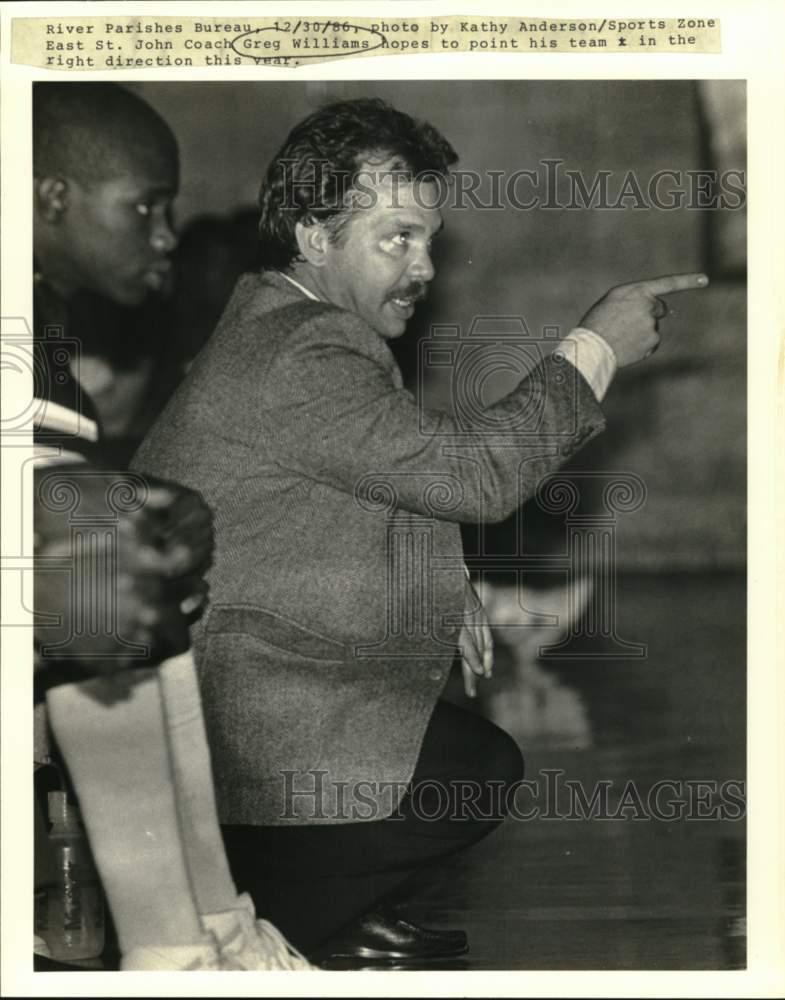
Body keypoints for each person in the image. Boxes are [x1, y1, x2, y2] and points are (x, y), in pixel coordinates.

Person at [132, 97, 708, 963]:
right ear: (312, 233)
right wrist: (592, 345)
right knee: (466, 774)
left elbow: (379, 473)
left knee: (442, 741)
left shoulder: (284, 323)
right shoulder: (306, 349)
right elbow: (474, 475)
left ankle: (325, 905)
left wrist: (445, 584)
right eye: (396, 237)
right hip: (232, 720)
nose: (425, 265)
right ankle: (282, 914)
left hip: (226, 689)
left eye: (428, 240)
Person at [32, 82, 312, 971]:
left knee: (124, 554)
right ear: (52, 197)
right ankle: (172, 956)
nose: (163, 235)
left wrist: (146, 510)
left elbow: (40, 480)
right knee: (94, 564)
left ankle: (213, 935)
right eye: (145, 207)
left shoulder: (37, 313)